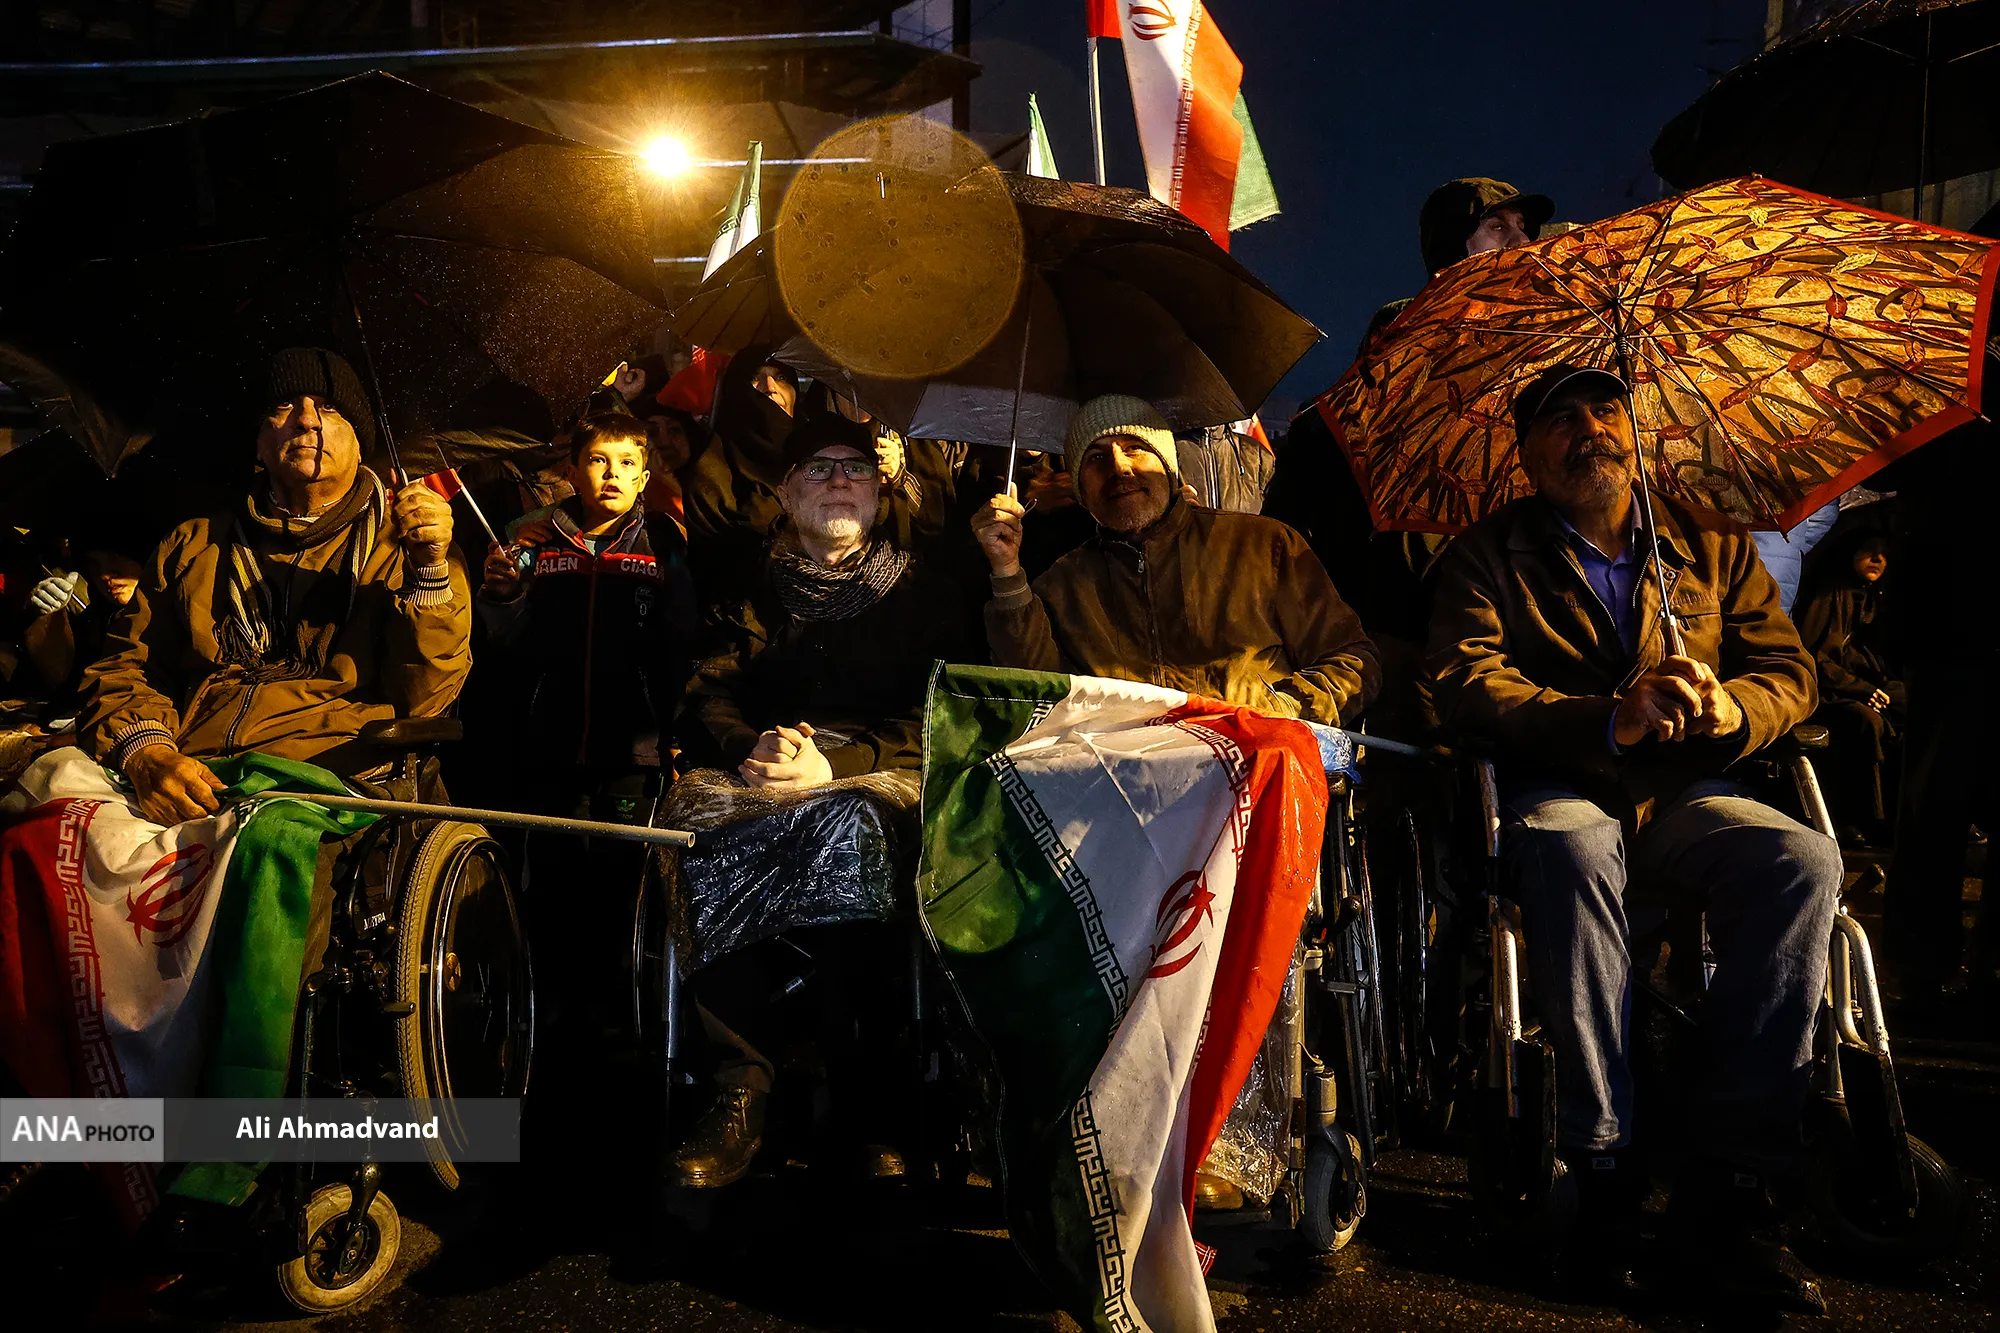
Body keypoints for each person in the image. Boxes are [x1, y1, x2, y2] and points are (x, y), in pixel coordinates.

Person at [1425, 364, 1839, 1311]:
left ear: (1634, 429)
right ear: (1528, 454)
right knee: (1572, 848)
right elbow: (1467, 680)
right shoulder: (1487, 555)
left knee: (1801, 859)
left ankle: (1733, 1181)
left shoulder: (1706, 542)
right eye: (1562, 420)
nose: (1591, 431)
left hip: (1685, 793)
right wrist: (1605, 719)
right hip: (1561, 784)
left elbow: (1789, 668)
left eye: (1606, 410)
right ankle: (1601, 1156)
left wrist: (1736, 708)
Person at [670, 411, 976, 1186]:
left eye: (855, 467)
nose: (841, 479)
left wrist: (834, 764)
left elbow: (939, 712)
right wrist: (749, 747)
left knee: (848, 821)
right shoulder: (749, 588)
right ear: (784, 491)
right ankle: (740, 1088)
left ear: (878, 490)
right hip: (763, 765)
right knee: (692, 815)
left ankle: (868, 1097)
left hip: (882, 766)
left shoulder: (925, 593)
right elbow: (706, 688)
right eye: (819, 467)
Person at [79, 347, 469, 824]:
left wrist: (428, 571)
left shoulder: (409, 545)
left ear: (359, 441)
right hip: (195, 772)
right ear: (260, 444)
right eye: (283, 407)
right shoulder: (195, 543)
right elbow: (128, 667)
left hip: (333, 783)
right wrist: (147, 754)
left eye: (329, 408)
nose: (306, 420)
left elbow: (426, 702)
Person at [1264, 177, 1555, 730]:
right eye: (1497, 226)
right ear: (1452, 244)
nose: (1521, 241)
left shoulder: (1542, 347)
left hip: (1511, 617)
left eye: (1524, 227)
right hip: (1410, 617)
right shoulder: (1407, 334)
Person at [478, 412, 697, 1040]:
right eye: (598, 460)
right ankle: (546, 1012)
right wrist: (502, 595)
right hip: (546, 738)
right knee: (551, 876)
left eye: (628, 463)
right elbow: (502, 644)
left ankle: (617, 1017)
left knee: (621, 879)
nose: (612, 475)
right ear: (572, 469)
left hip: (634, 746)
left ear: (646, 475)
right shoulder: (529, 536)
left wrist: (675, 730)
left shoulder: (664, 538)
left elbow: (681, 639)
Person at [971, 394, 1379, 724]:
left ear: (1168, 467)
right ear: (1079, 490)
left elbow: (1353, 660)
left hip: (1254, 779)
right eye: (1095, 458)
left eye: (1135, 449)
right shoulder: (1063, 586)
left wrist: (1281, 712)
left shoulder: (1264, 545)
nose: (1119, 467)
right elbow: (1030, 695)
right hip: (1123, 786)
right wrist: (1007, 571)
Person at [1795, 533, 1903, 845]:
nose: (1878, 559)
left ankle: (1907, 813)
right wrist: (1860, 689)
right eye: (1868, 550)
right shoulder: (1828, 593)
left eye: (1883, 552)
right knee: (1867, 721)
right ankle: (1867, 818)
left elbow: (1871, 654)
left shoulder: (1874, 597)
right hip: (1827, 692)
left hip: (1862, 684)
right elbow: (1815, 656)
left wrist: (1880, 685)